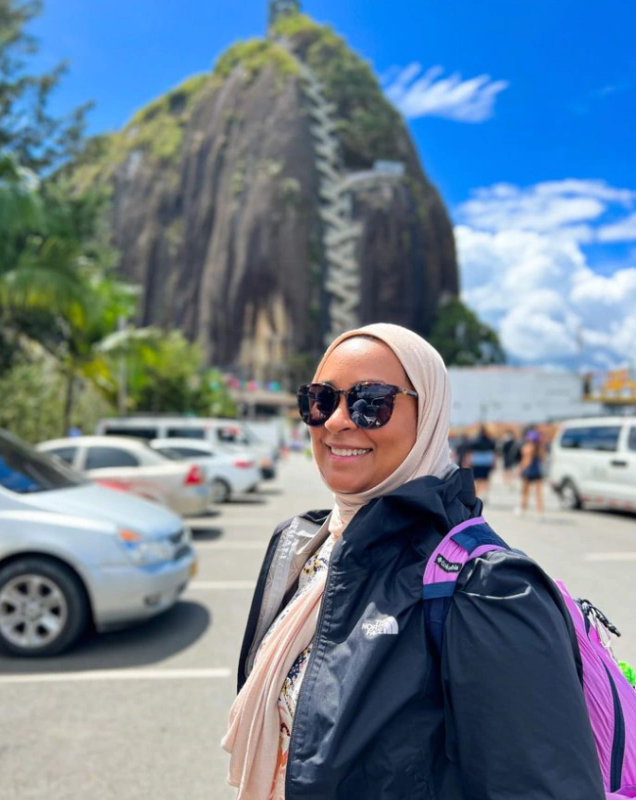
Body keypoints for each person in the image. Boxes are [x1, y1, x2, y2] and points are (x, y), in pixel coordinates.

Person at [222, 323, 604, 800]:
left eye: (371, 401)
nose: (338, 421)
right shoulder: (302, 543)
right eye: (321, 400)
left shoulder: (486, 588)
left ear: (428, 417)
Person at [517, 428, 545, 516]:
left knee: (525, 492)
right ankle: (540, 511)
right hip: (537, 472)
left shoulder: (527, 448)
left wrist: (520, 470)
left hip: (528, 472)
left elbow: (526, 462)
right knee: (538, 493)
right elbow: (542, 460)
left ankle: (522, 509)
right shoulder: (540, 449)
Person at [468, 423, 496, 502]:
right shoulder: (490, 440)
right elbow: (493, 452)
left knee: (476, 479)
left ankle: (476, 495)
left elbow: (470, 452)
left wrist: (468, 462)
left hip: (476, 461)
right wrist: (494, 463)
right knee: (485, 479)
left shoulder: (474, 440)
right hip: (487, 461)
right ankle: (485, 495)